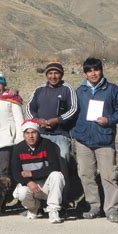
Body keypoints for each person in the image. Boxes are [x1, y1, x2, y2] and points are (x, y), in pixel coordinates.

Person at [72, 57, 118, 223]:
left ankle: (111, 209)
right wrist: (74, 133)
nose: (93, 73)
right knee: (85, 174)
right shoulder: (79, 91)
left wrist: (109, 120)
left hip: (104, 139)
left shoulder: (112, 89)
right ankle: (94, 206)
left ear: (101, 70)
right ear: (85, 73)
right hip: (83, 140)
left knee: (109, 176)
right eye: (89, 71)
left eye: (96, 69)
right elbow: (72, 113)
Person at [25, 60, 77, 203]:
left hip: (60, 134)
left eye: (56, 73)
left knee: (62, 163)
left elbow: (73, 110)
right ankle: (41, 200)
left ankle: (63, 200)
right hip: (41, 134)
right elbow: (29, 108)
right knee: (41, 165)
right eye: (50, 73)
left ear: (61, 74)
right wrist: (37, 120)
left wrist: (57, 120)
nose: (53, 76)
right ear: (46, 75)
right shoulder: (39, 90)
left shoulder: (67, 89)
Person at [11, 120, 65, 224]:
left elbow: (55, 167)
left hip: (46, 185)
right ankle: (34, 207)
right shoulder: (18, 148)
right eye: (27, 133)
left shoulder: (47, 144)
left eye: (33, 132)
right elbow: (16, 172)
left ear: (38, 133)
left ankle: (53, 210)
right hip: (30, 185)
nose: (31, 136)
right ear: (24, 135)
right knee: (21, 193)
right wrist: (28, 182)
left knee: (57, 176)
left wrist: (32, 173)